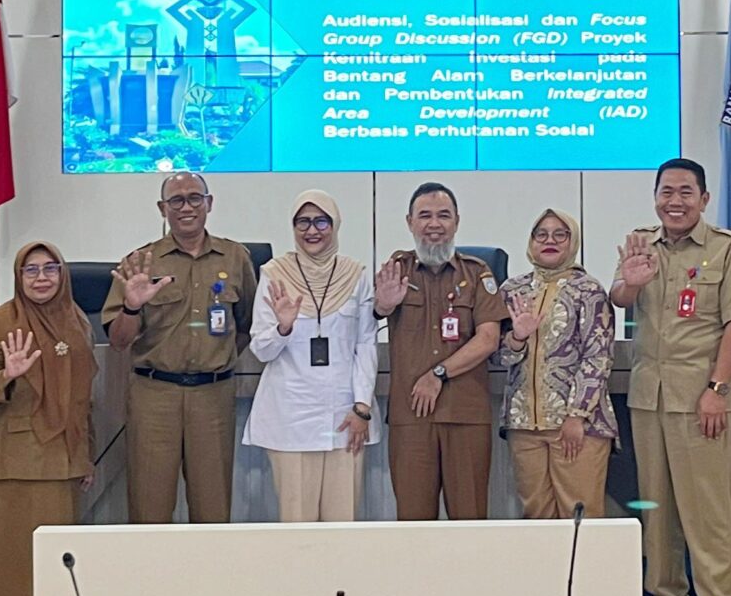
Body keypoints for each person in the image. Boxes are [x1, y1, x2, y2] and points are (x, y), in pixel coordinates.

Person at [612, 158, 731, 596]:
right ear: (655, 197)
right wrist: (630, 283)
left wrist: (718, 389)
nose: (675, 202)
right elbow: (619, 297)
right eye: (666, 192)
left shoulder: (725, 247)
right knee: (655, 508)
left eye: (685, 192)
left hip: (701, 399)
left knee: (709, 510)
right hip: (649, 397)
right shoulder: (640, 243)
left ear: (704, 199)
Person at [105, 171, 258, 523]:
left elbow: (246, 325)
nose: (186, 207)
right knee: (149, 508)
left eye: (194, 198)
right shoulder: (140, 263)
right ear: (162, 209)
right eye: (176, 200)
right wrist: (131, 306)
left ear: (209, 203)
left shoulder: (235, 257)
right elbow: (119, 341)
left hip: (213, 397)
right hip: (154, 396)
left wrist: (214, 359)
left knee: (213, 509)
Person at [0, 241, 98, 596]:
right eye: (31, 270)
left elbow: (83, 398)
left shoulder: (76, 319)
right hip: (17, 463)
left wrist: (86, 455)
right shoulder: (0, 322)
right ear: (18, 276)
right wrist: (7, 374)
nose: (42, 278)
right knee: (14, 566)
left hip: (65, 462)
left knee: (59, 566)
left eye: (50, 269)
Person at [374, 183, 506, 520]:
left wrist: (438, 374)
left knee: (470, 519)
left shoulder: (477, 272)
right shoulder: (397, 270)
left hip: (465, 414)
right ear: (410, 222)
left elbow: (488, 339)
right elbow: (371, 316)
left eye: (443, 215)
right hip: (411, 416)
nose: (434, 224)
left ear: (456, 221)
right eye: (425, 216)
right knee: (413, 521)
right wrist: (383, 305)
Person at [247, 193, 375, 524]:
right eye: (303, 222)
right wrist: (283, 327)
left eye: (321, 221)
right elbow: (261, 349)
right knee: (297, 525)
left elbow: (365, 344)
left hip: (346, 416)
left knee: (343, 523)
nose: (312, 230)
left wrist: (362, 407)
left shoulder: (355, 274)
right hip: (291, 416)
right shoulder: (275, 274)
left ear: (335, 225)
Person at [498, 208, 617, 520]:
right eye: (542, 235)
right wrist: (517, 337)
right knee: (536, 517)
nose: (549, 241)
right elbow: (499, 356)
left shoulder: (588, 290)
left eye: (559, 235)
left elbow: (598, 357)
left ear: (572, 241)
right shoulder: (512, 291)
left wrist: (577, 415)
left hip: (576, 426)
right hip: (523, 424)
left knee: (580, 516)